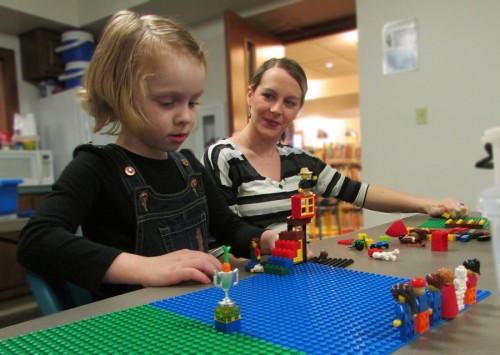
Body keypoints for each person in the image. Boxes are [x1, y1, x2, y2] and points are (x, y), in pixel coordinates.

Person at [16, 10, 277, 300]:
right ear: (120, 96)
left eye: (193, 102)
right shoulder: (95, 167)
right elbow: (35, 240)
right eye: (167, 102)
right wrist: (144, 268)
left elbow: (229, 228)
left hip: (198, 307)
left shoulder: (190, 166)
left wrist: (264, 239)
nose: (185, 117)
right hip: (133, 324)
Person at [203, 57, 470, 232]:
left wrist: (427, 204)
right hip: (253, 286)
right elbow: (227, 237)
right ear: (250, 95)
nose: (276, 109)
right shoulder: (223, 157)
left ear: (298, 110)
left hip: (298, 276)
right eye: (268, 96)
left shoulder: (302, 162)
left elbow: (359, 192)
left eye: (289, 102)